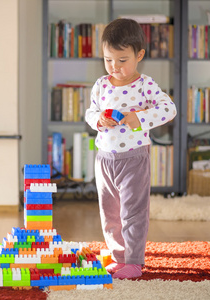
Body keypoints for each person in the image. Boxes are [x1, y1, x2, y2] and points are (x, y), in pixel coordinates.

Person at [85, 18, 177, 279]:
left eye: (122, 60)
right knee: (110, 213)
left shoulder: (145, 84)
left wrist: (141, 118)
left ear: (139, 55)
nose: (115, 67)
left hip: (134, 159)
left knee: (133, 213)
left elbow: (169, 109)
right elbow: (90, 113)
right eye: (108, 60)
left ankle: (134, 261)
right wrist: (99, 120)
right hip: (104, 159)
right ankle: (118, 257)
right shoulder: (101, 85)